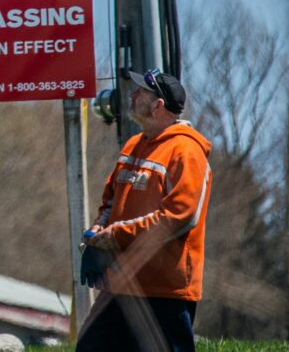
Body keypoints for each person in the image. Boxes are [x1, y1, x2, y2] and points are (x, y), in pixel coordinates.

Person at [76, 69, 212, 352]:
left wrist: (118, 235)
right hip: (120, 284)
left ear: (157, 105)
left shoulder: (186, 151)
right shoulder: (133, 145)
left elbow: (180, 216)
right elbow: (111, 201)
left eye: (140, 92)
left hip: (165, 289)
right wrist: (97, 233)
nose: (132, 95)